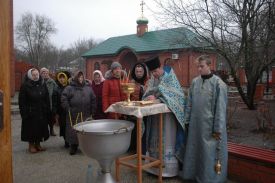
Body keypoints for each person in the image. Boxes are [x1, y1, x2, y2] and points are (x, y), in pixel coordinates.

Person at [181, 55, 228, 183]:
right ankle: (193, 175)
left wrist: (218, 128)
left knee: (208, 155)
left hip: (210, 127)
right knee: (194, 152)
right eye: (198, 66)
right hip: (196, 126)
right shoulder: (195, 82)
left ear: (209, 66)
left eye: (202, 66)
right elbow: (189, 102)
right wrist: (186, 120)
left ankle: (209, 179)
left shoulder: (219, 84)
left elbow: (221, 108)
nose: (199, 69)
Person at [142, 56, 186, 177]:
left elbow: (178, 96)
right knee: (153, 139)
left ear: (161, 67)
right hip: (154, 116)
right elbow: (148, 92)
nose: (154, 74)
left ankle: (168, 170)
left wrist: (158, 98)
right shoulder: (153, 78)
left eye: (155, 71)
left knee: (167, 140)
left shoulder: (170, 77)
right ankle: (153, 168)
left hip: (168, 118)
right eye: (151, 72)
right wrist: (148, 96)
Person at [61, 70, 96, 155]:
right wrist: (68, 108)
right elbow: (64, 99)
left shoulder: (88, 88)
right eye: (79, 77)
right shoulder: (69, 88)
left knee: (85, 131)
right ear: (75, 78)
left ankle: (86, 147)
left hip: (86, 113)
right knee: (73, 131)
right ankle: (74, 146)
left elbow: (93, 100)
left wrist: (93, 110)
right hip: (73, 114)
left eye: (82, 77)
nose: (80, 79)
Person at [19, 68, 51, 153]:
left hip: (41, 111)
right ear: (30, 75)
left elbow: (46, 97)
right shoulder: (25, 86)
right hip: (30, 112)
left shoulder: (42, 84)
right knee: (31, 129)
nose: (35, 76)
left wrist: (47, 109)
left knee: (40, 128)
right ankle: (31, 145)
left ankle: (38, 144)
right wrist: (24, 113)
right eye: (33, 75)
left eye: (37, 74)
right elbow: (22, 101)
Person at [52, 71, 71, 148]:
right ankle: (66, 141)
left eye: (63, 77)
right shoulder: (56, 89)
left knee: (70, 126)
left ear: (66, 78)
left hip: (69, 110)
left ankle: (71, 140)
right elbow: (54, 101)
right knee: (63, 126)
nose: (62, 79)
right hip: (61, 111)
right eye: (60, 78)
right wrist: (55, 112)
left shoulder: (70, 87)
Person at [40, 67, 58, 136]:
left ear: (48, 73)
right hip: (42, 104)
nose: (45, 74)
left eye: (46, 72)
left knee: (51, 119)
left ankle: (51, 130)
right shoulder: (39, 81)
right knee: (43, 119)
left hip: (50, 103)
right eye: (43, 72)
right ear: (40, 74)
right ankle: (44, 132)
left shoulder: (52, 82)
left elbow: (56, 92)